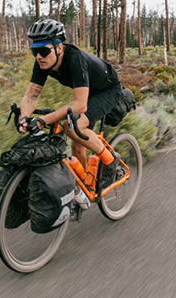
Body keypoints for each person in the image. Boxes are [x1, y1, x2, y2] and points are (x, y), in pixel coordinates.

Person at [18, 19, 123, 189]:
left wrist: (43, 120)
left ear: (59, 47)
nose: (38, 56)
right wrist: (24, 117)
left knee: (73, 127)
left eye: (43, 51)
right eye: (34, 51)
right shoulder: (42, 62)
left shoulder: (75, 59)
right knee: (77, 143)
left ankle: (110, 160)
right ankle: (84, 188)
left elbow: (80, 106)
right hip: (87, 90)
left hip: (108, 90)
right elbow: (30, 96)